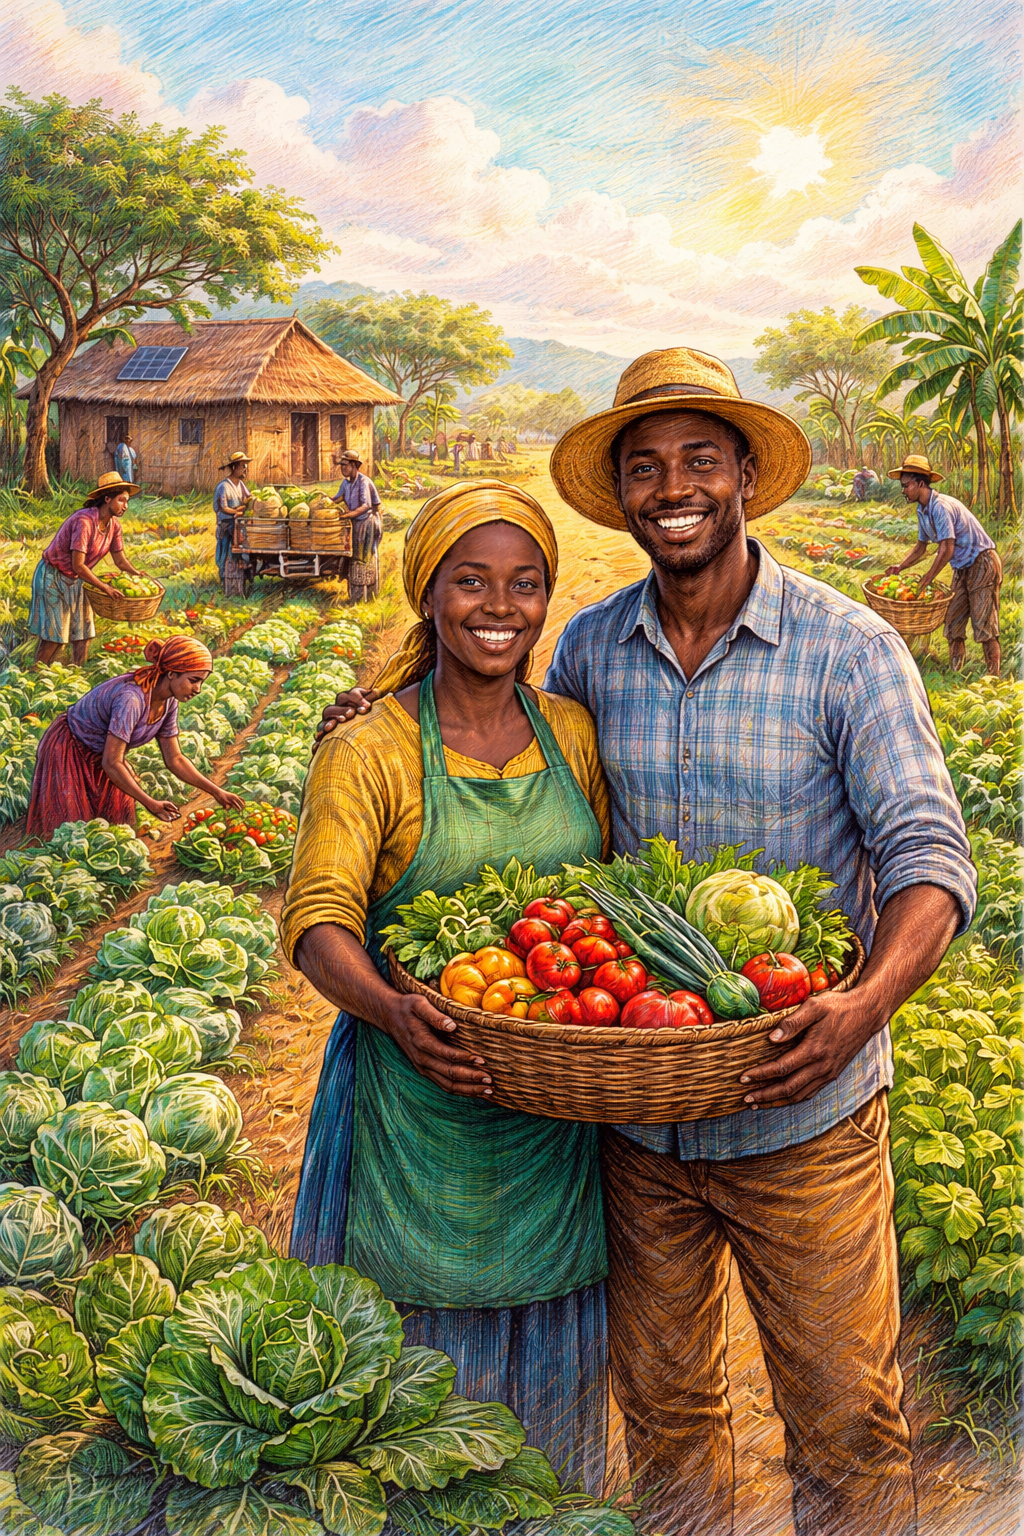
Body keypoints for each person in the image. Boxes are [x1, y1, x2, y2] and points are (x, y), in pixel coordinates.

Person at [315, 349, 976, 1536]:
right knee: (668, 1421)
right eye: (646, 467)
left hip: (800, 1117)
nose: (672, 486)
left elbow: (930, 860)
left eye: (699, 461)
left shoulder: (847, 649)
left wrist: (859, 1005)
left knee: (846, 1422)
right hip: (631, 1127)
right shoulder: (588, 654)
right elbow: (493, 732)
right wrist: (373, 711)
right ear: (621, 494)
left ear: (741, 482)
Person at [282, 481, 611, 1491]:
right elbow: (317, 922)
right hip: (408, 1121)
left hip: (552, 1126)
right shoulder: (370, 745)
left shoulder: (572, 732)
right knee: (415, 1421)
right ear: (429, 593)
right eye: (470, 582)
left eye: (524, 584)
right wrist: (390, 1010)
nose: (498, 608)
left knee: (549, 1428)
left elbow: (603, 904)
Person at [26, 635, 245, 840]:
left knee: (115, 828)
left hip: (103, 755)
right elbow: (112, 762)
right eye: (194, 680)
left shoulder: (169, 702)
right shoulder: (131, 698)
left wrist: (217, 792)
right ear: (171, 673)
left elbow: (175, 759)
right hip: (69, 749)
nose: (197, 689)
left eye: (201, 682)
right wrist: (150, 802)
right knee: (70, 832)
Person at [885, 454, 1001, 676]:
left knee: (984, 624)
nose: (903, 491)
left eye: (906, 485)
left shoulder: (941, 507)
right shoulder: (923, 510)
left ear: (921, 483)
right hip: (962, 567)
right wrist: (900, 567)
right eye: (902, 486)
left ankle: (994, 678)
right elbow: (921, 547)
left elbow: (946, 548)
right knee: (953, 621)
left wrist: (927, 578)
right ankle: (957, 671)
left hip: (983, 562)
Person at [28, 471, 148, 668]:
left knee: (83, 633)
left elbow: (120, 560)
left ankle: (79, 673)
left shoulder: (114, 526)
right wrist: (105, 588)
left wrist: (136, 574)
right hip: (54, 575)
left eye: (127, 501)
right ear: (107, 499)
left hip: (78, 578)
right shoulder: (84, 522)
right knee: (55, 636)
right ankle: (35, 671)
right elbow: (78, 564)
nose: (125, 506)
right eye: (121, 500)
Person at [332, 450, 382, 603]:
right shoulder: (346, 483)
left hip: (367, 523)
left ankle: (368, 595)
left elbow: (366, 505)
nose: (342, 469)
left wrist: (347, 515)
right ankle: (355, 596)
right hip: (355, 524)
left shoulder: (363, 482)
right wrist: (323, 501)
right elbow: (338, 498)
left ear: (354, 465)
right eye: (341, 466)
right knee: (353, 558)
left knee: (365, 558)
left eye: (345, 465)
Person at [213, 452, 251, 586]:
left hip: (238, 523)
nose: (246, 469)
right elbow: (223, 507)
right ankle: (224, 580)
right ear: (235, 467)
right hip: (226, 524)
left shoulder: (240, 485)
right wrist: (237, 511)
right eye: (243, 466)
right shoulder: (223, 486)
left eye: (246, 466)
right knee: (224, 554)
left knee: (240, 551)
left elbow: (249, 497)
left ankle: (240, 577)